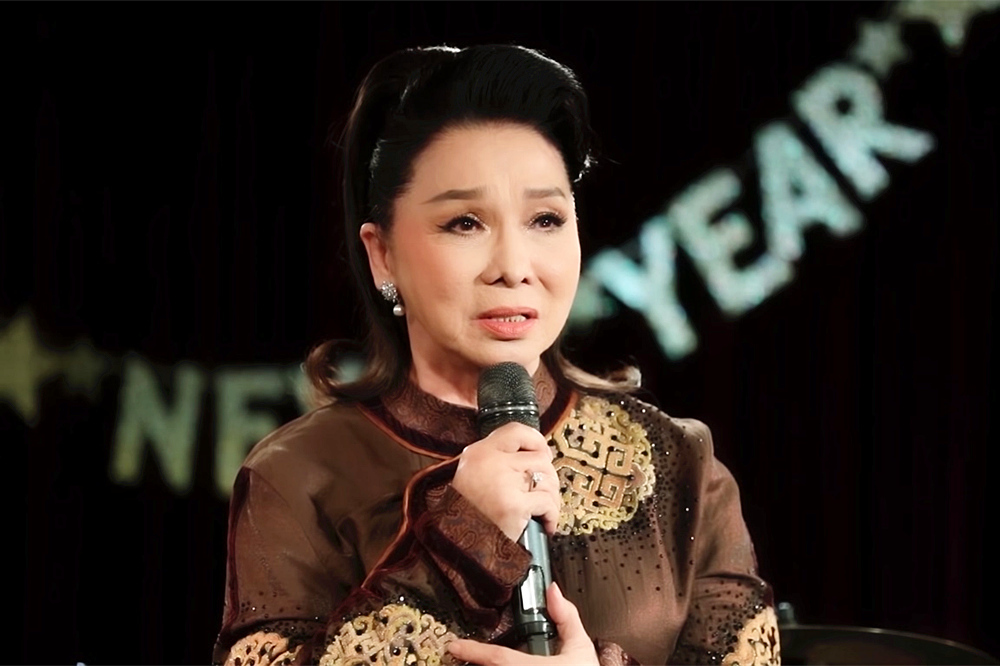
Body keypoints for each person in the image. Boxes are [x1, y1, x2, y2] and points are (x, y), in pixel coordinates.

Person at [213, 44, 779, 666]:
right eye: (465, 223)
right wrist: (465, 539)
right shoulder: (302, 474)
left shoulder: (680, 462)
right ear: (382, 255)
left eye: (545, 219)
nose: (513, 267)